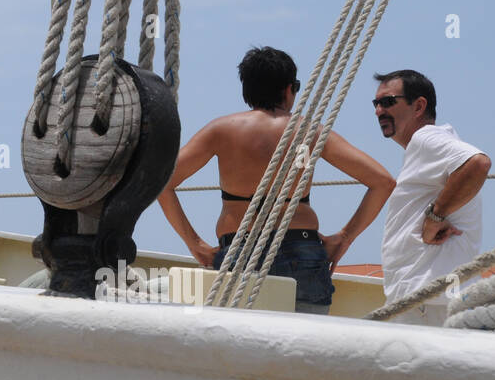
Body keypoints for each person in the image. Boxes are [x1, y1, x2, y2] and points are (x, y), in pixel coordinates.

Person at [158, 47, 395, 314]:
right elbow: (382, 182)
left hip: (239, 250)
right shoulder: (309, 132)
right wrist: (344, 238)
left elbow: (161, 182)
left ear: (246, 90)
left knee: (240, 347)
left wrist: (195, 244)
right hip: (302, 250)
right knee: (303, 348)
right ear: (287, 89)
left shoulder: (220, 130)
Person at [372, 69, 491, 326]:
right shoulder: (425, 146)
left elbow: (477, 163)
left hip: (427, 301)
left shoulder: (427, 138)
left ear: (419, 106)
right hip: (430, 297)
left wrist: (435, 216)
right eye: (376, 103)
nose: (379, 111)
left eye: (388, 101)